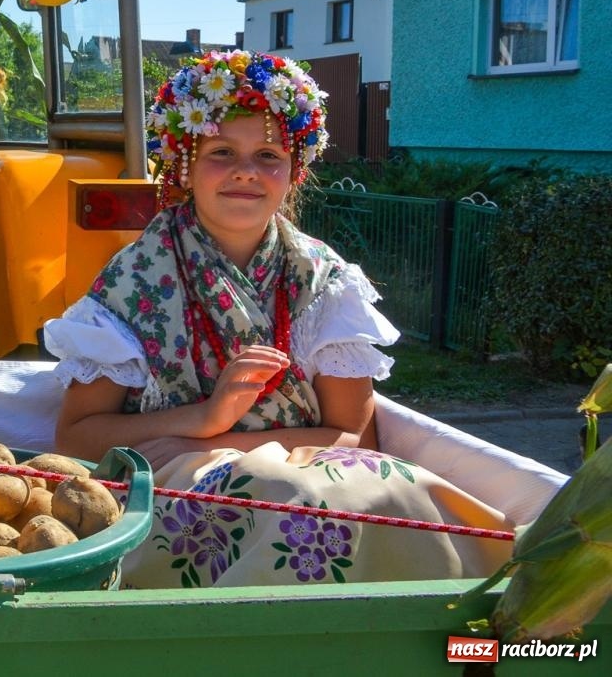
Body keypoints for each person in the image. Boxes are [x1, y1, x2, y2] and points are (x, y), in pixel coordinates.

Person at [45, 51, 513, 588]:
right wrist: (203, 419)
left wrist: (211, 442)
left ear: (295, 171)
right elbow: (75, 440)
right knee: (291, 498)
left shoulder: (324, 279)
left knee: (386, 496)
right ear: (184, 164)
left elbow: (354, 437)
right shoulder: (132, 281)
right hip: (179, 481)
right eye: (222, 151)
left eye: (268, 154)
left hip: (311, 473)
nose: (246, 170)